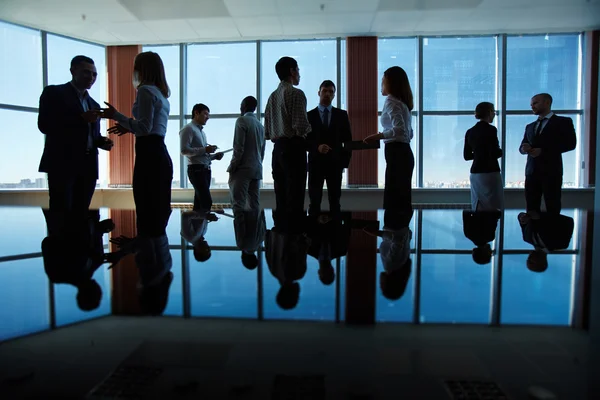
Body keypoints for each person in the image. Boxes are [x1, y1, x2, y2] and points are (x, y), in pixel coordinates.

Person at [99, 51, 173, 233]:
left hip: (149, 155)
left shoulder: (145, 91)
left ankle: (148, 254)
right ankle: (154, 254)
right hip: (159, 153)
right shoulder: (161, 95)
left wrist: (115, 115)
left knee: (146, 207)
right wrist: (130, 126)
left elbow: (145, 128)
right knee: (159, 210)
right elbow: (152, 128)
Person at [38, 55, 113, 211]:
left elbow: (90, 135)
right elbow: (45, 125)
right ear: (73, 71)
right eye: (86, 72)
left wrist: (101, 142)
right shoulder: (54, 93)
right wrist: (80, 119)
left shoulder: (93, 104)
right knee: (61, 214)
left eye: (94, 74)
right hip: (62, 164)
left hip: (88, 166)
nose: (91, 77)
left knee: (81, 214)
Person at [264, 56, 312, 213]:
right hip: (294, 149)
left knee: (281, 199)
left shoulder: (272, 97)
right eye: (298, 70)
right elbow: (301, 126)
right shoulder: (296, 93)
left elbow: (267, 132)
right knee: (295, 198)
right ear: (292, 71)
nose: (299, 74)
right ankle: (294, 235)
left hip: (277, 150)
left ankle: (282, 234)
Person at [363, 66, 414, 213]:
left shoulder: (391, 101)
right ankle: (399, 233)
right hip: (404, 152)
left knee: (394, 198)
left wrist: (378, 135)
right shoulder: (403, 103)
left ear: (391, 83)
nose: (381, 85)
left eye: (383, 81)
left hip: (396, 152)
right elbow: (409, 133)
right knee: (402, 198)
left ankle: (392, 233)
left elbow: (400, 130)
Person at [519, 93, 577, 215]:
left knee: (553, 206)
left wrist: (543, 150)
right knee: (531, 207)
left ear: (547, 102)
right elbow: (521, 147)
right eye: (531, 104)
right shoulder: (530, 126)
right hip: (531, 172)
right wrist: (524, 149)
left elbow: (570, 144)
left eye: (535, 103)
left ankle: (552, 234)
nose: (532, 107)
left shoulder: (563, 122)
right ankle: (532, 234)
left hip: (551, 172)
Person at [306, 80, 352, 216]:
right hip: (315, 164)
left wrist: (344, 163)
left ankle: (336, 235)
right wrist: (317, 148)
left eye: (331, 92)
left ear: (334, 95)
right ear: (319, 93)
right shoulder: (309, 116)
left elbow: (348, 141)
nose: (327, 94)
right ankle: (314, 235)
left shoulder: (342, 115)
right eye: (325, 91)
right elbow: (304, 140)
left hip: (335, 164)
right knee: (314, 201)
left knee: (335, 201)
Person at [180, 104, 224, 212]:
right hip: (196, 170)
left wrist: (213, 156)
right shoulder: (188, 129)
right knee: (206, 201)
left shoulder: (202, 132)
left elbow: (201, 154)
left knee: (199, 202)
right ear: (196, 113)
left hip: (204, 170)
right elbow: (184, 150)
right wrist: (205, 150)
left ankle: (197, 228)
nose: (207, 117)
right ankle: (200, 227)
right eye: (205, 114)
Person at [227, 96, 265, 213]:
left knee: (238, 206)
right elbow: (262, 152)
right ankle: (253, 231)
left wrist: (232, 167)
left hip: (242, 170)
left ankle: (241, 232)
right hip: (256, 169)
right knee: (254, 205)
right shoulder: (260, 126)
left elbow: (238, 148)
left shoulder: (241, 120)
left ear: (243, 106)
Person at [464, 102, 504, 211]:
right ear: (490, 112)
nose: (494, 114)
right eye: (493, 111)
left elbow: (467, 156)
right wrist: (500, 152)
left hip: (475, 173)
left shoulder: (470, 132)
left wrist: (478, 154)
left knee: (478, 207)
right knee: (493, 207)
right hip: (490, 171)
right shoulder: (491, 130)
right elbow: (495, 152)